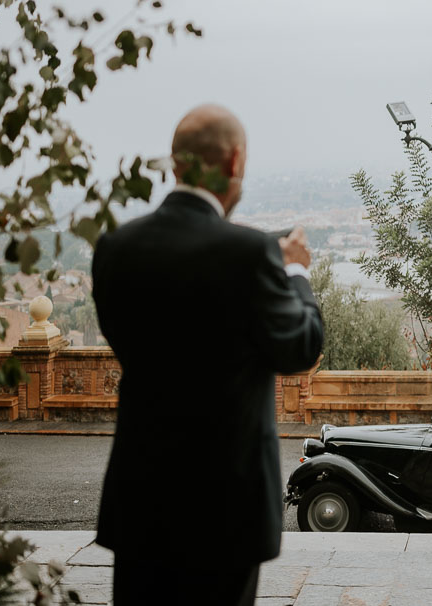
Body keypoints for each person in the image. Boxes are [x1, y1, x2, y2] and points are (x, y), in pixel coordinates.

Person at [91, 104, 325, 606]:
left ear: (175, 163)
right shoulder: (248, 253)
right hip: (225, 505)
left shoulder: (116, 247)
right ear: (235, 159)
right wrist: (295, 273)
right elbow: (300, 349)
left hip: (141, 499)